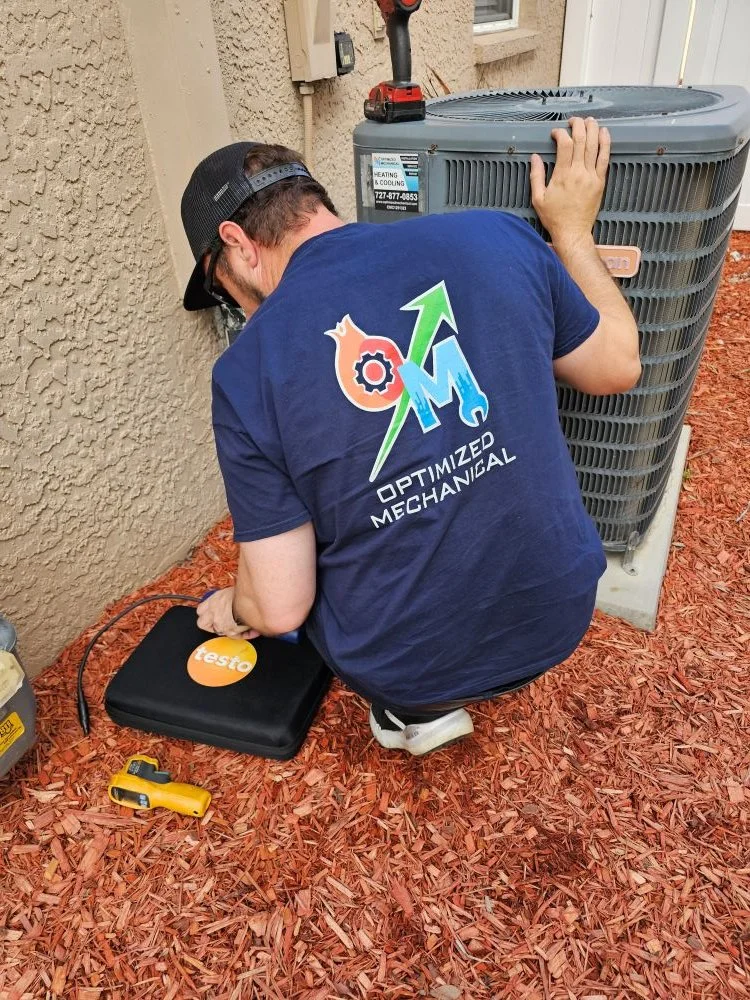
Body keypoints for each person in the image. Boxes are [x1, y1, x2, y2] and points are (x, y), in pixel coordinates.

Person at [180, 118, 640, 756]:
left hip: (407, 666)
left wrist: (237, 606)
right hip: (558, 617)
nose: (237, 311)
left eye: (221, 289)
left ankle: (413, 713)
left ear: (237, 243)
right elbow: (617, 366)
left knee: (298, 564)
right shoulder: (493, 235)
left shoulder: (244, 372)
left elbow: (281, 610)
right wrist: (571, 231)